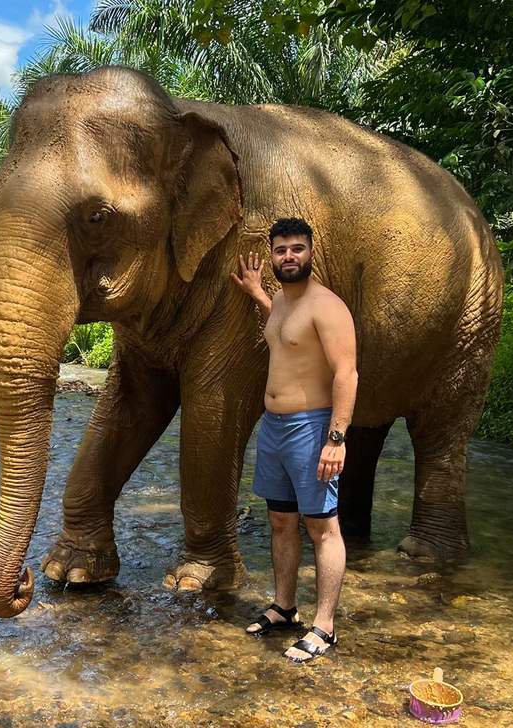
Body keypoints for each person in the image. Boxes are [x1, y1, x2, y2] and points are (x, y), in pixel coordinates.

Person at [230, 217, 359, 663]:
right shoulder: (283, 303)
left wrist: (336, 438)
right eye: (281, 249)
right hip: (275, 429)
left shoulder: (327, 306)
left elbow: (347, 372)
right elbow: (285, 336)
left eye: (297, 248)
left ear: (310, 252)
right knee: (281, 521)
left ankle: (325, 626)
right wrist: (257, 294)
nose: (289, 256)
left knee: (322, 527)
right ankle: (285, 608)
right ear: (272, 255)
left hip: (312, 428)